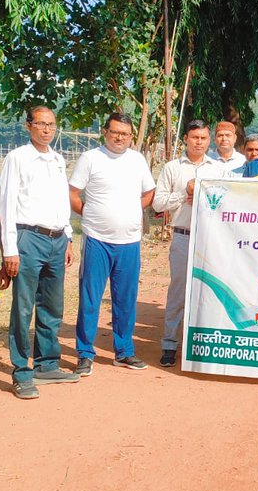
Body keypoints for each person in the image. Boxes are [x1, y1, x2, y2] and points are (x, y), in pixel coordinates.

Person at [0, 104, 78, 400]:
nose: (47, 129)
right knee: (23, 308)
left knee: (52, 306)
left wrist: (68, 237)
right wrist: (9, 249)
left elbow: (61, 202)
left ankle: (47, 364)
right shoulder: (17, 158)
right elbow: (6, 206)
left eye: (51, 124)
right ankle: (21, 371)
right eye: (41, 124)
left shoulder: (57, 159)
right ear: (28, 125)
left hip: (56, 240)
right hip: (28, 238)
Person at [69, 112, 156, 375]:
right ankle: (85, 353)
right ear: (105, 131)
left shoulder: (137, 160)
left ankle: (124, 351)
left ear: (131, 136)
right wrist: (91, 213)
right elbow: (73, 193)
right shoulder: (91, 158)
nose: (120, 137)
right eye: (115, 131)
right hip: (97, 239)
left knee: (125, 299)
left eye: (125, 134)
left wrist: (131, 209)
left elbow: (149, 193)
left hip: (129, 241)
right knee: (90, 298)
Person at [153, 119, 224, 367]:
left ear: (209, 140)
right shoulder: (172, 168)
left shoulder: (217, 170)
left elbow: (225, 203)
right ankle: (169, 344)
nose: (199, 142)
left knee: (209, 292)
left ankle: (203, 345)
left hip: (210, 239)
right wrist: (185, 194)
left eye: (204, 138)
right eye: (195, 137)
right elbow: (158, 204)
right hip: (183, 236)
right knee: (179, 291)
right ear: (186, 138)